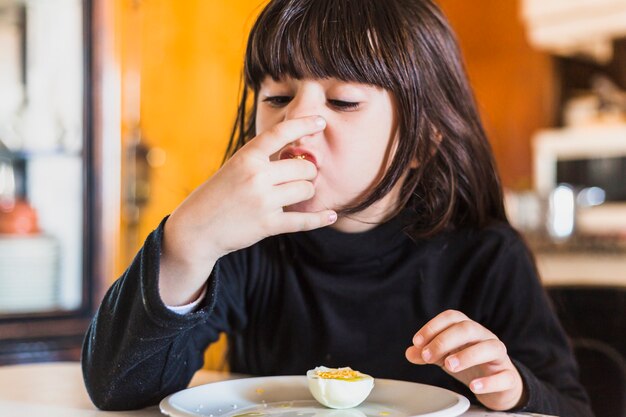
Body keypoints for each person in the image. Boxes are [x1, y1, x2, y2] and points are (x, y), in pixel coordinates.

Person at [81, 0, 593, 415]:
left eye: (343, 101)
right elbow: (119, 390)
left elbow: (570, 405)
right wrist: (189, 239)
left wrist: (514, 390)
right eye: (277, 96)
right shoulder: (248, 244)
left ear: (422, 141)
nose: (297, 120)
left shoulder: (487, 255)